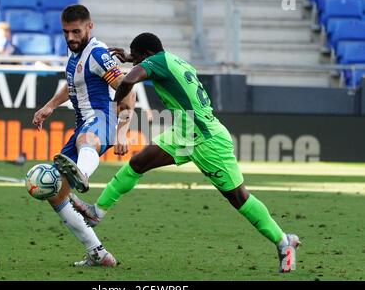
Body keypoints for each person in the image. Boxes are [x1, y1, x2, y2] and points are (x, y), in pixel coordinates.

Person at [69, 32, 301, 273]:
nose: (136, 62)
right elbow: (147, 67)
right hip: (185, 130)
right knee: (138, 162)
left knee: (238, 198)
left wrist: (115, 103)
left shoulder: (155, 62)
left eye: (137, 58)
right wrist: (130, 57)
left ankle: (284, 241)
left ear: (147, 55)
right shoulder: (173, 60)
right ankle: (98, 211)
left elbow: (128, 81)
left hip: (206, 140)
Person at [31, 4, 135, 267]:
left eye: (76, 31)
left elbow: (126, 88)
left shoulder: (98, 54)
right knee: (54, 191)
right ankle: (97, 253)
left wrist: (123, 131)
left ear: (90, 26)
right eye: (66, 32)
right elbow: (73, 83)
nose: (70, 38)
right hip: (84, 125)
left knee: (85, 140)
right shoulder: (76, 55)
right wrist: (50, 105)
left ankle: (83, 173)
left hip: (102, 119)